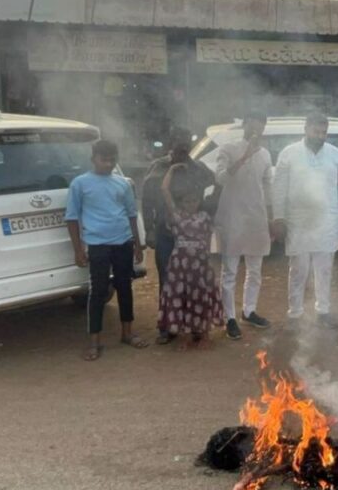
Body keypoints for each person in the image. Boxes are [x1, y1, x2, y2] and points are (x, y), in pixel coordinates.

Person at [65, 140, 148, 362]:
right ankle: (95, 341)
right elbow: (71, 218)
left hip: (123, 242)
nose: (109, 164)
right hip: (97, 244)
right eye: (104, 160)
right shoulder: (80, 184)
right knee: (98, 291)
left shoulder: (122, 183)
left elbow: (131, 214)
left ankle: (127, 333)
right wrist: (77, 249)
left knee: (125, 288)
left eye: (112, 160)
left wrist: (137, 244)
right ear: (93, 159)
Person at [271, 113, 338, 322]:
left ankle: (323, 311)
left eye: (324, 132)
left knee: (324, 270)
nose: (320, 136)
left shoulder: (335, 154)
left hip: (327, 220)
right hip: (298, 221)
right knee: (298, 269)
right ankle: (295, 312)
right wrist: (278, 218)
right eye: (316, 131)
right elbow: (279, 188)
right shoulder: (289, 153)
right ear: (306, 129)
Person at [141, 127, 215, 343]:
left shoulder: (199, 169)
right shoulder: (158, 167)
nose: (183, 146)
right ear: (170, 143)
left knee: (194, 281)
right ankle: (167, 327)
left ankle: (194, 323)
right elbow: (147, 201)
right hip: (165, 234)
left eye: (186, 142)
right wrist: (149, 229)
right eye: (178, 141)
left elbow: (214, 187)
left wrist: (205, 217)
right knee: (167, 280)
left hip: (192, 237)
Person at [214, 114, 274, 340]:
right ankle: (229, 317)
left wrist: (271, 218)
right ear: (245, 125)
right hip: (232, 217)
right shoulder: (228, 149)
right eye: (254, 126)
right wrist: (244, 157)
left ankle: (249, 311)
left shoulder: (265, 154)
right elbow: (220, 179)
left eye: (261, 127)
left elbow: (267, 187)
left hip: (256, 217)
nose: (257, 131)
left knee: (255, 270)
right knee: (230, 271)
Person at [157, 164, 224, 350]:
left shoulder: (205, 216)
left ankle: (204, 335)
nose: (191, 204)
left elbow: (218, 187)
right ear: (181, 202)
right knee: (181, 298)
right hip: (180, 265)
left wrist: (208, 261)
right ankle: (185, 337)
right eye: (187, 201)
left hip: (201, 265)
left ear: (199, 200)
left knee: (202, 298)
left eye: (194, 200)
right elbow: (164, 190)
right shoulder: (176, 216)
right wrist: (171, 170)